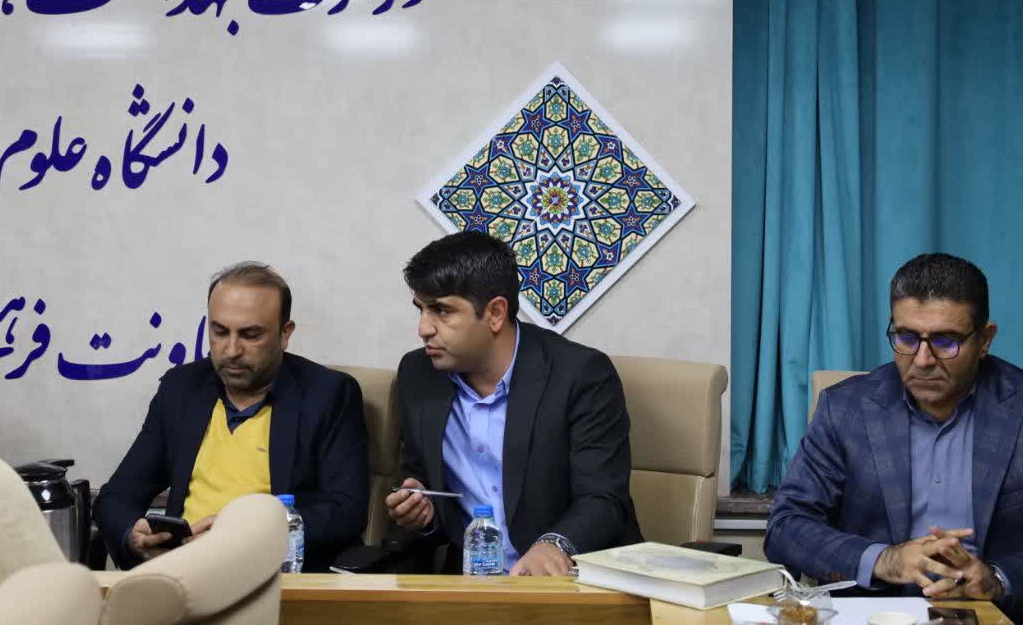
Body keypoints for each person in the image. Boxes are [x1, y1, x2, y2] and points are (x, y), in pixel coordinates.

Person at [764, 253, 1023, 625]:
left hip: (996, 615)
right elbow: (787, 526)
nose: (922, 360)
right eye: (906, 338)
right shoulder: (845, 408)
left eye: (945, 341)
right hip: (877, 615)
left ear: (984, 340)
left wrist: (998, 580)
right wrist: (884, 560)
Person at [386, 231, 642, 575]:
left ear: (495, 313)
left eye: (441, 310)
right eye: (420, 309)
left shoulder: (580, 375)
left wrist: (554, 545)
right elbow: (420, 475)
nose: (423, 329)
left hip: (572, 581)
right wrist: (421, 507)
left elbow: (603, 499)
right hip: (474, 583)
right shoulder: (418, 373)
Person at [94, 262, 368, 571]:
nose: (232, 350)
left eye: (251, 335)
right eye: (220, 332)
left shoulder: (328, 395)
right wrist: (133, 537)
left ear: (285, 333)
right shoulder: (181, 389)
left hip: (270, 574)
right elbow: (117, 496)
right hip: (183, 571)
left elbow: (346, 511)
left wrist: (244, 533)